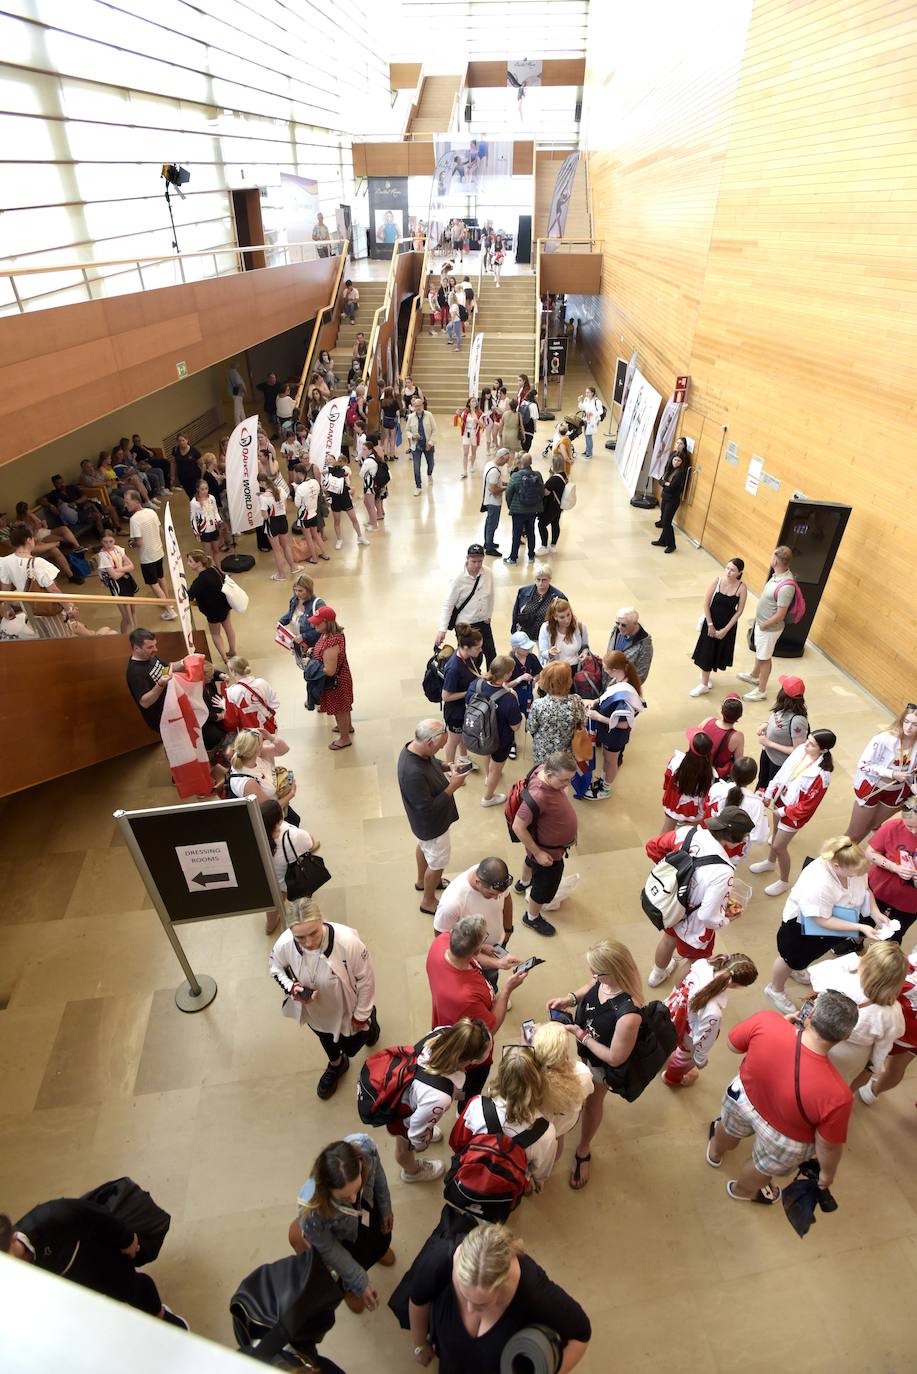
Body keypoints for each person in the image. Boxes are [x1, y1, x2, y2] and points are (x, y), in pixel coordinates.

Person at [706, 991, 859, 1205]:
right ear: (845, 1036)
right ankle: (742, 1190)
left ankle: (715, 1151)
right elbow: (828, 1145)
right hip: (786, 1138)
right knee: (761, 1167)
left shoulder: (767, 1021)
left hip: (742, 1098)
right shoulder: (839, 1095)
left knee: (728, 1127)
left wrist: (779, 1025)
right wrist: (827, 1173)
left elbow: (733, 1045)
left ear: (810, 1015)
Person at [406, 1222, 591, 1373]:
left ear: (504, 1284)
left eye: (482, 1303)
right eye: (463, 1294)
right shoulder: (441, 1259)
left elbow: (581, 1334)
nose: (469, 1308)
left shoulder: (535, 1294)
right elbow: (418, 1300)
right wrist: (420, 1344)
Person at [545, 939, 644, 1191]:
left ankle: (583, 1148)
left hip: (600, 1063)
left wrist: (581, 1036)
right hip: (588, 1049)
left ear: (615, 971)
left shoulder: (629, 1014)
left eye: (597, 972)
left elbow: (615, 1057)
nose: (592, 976)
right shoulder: (605, 979)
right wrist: (569, 999)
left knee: (592, 1103)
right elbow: (592, 985)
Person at [3, 1197, 187, 1328]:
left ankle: (162, 1317)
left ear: (11, 1238)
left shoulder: (51, 1217)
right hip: (76, 1294)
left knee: (132, 1289)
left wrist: (127, 1238)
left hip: (101, 1265)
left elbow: (95, 1215)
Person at [763, 835, 895, 1013]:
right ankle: (775, 988)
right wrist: (860, 927)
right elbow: (820, 920)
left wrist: (875, 912)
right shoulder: (818, 883)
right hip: (803, 926)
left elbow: (866, 890)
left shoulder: (853, 866)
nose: (857, 876)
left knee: (807, 956)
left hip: (835, 921)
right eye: (853, 873)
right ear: (836, 865)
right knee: (789, 957)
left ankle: (797, 967)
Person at [270, 898, 378, 1098]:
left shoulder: (348, 942)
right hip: (316, 1012)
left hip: (348, 1007)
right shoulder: (284, 944)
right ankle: (337, 1064)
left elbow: (366, 980)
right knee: (325, 1038)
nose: (309, 943)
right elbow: (275, 969)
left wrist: (362, 1014)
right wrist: (291, 987)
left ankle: (372, 1024)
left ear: (322, 922)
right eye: (300, 938)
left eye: (314, 933)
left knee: (355, 1041)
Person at [646, 807, 756, 986]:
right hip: (692, 923)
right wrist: (726, 920)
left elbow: (653, 847)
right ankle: (678, 995)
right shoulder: (724, 870)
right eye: (745, 836)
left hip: (672, 905)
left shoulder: (687, 832)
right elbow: (707, 917)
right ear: (734, 837)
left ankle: (656, 975)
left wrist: (669, 872)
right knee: (693, 961)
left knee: (668, 939)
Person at [425, 916, 529, 1098]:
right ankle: (464, 1109)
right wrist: (506, 990)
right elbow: (491, 1028)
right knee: (470, 1090)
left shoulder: (441, 942)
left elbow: (470, 957)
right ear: (473, 952)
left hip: (445, 1023)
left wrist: (496, 961)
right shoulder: (465, 997)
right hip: (469, 1053)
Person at [294, 1135, 394, 1314]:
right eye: (344, 1197)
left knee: (378, 1241)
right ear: (325, 1188)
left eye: (357, 1188)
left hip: (369, 1212)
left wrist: (385, 1207)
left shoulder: (365, 1148)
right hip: (343, 1240)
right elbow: (330, 1249)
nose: (354, 1199)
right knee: (353, 1263)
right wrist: (359, 1281)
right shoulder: (312, 1211)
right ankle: (350, 1291)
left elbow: (378, 1174)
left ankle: (378, 1251)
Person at [386, 1019, 494, 1183]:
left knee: (423, 1118)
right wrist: (422, 1140)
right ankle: (412, 1172)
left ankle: (426, 1124)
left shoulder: (443, 1032)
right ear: (472, 1061)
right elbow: (414, 1130)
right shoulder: (439, 1097)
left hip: (407, 1091)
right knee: (404, 1146)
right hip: (402, 1113)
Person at [451, 1049, 557, 1194]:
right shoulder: (546, 1132)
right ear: (538, 1082)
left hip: (473, 1172)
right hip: (509, 1185)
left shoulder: (476, 1105)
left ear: (502, 1076)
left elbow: (458, 1141)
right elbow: (541, 1168)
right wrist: (536, 1181)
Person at [752, 728, 838, 896]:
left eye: (812, 744)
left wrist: (784, 811)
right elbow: (783, 772)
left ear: (824, 750)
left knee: (779, 845)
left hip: (793, 814)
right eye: (808, 740)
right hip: (780, 799)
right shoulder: (800, 751)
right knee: (775, 832)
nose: (806, 745)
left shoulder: (822, 776)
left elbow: (808, 805)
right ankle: (770, 862)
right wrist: (769, 792)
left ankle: (784, 881)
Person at [807, 943, 907, 1082]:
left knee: (805, 1066)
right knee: (834, 1080)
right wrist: (875, 1066)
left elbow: (816, 970)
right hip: (852, 1054)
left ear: (865, 963)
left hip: (820, 1033)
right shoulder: (893, 1012)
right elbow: (884, 1044)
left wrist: (856, 959)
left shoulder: (841, 979)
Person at [398, 720, 466, 914]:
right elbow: (428, 809)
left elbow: (431, 761)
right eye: (440, 746)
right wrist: (454, 785)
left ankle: (422, 881)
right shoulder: (413, 773)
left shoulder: (413, 749)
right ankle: (428, 900)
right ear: (429, 743)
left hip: (422, 828)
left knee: (423, 847)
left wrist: (447, 765)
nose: (442, 749)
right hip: (432, 825)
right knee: (437, 862)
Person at [663, 953, 758, 1087]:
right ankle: (671, 1078)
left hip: (671, 1009)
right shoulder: (713, 1012)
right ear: (737, 985)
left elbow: (680, 983)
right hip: (687, 1033)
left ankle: (659, 1053)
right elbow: (702, 1040)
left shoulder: (701, 963)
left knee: (662, 1035)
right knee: (683, 1058)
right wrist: (700, 1061)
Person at [512, 750, 578, 938]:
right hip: (547, 854)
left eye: (570, 779)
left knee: (529, 860)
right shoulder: (540, 794)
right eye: (564, 780)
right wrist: (539, 854)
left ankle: (523, 883)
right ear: (549, 775)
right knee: (544, 887)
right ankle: (532, 917)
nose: (567, 785)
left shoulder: (543, 769)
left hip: (539, 846)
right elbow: (518, 826)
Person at [433, 859, 516, 985]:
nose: (496, 898)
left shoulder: (495, 877)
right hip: (469, 955)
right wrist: (477, 950)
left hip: (496, 946)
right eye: (491, 894)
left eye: (499, 894)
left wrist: (508, 929)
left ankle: (492, 992)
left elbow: (507, 898)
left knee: (492, 976)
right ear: (478, 882)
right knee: (476, 983)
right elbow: (443, 939)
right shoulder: (452, 904)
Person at [857, 942, 917, 1106]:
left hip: (893, 1024)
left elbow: (883, 980)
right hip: (904, 1029)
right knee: (895, 1066)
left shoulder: (899, 979)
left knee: (871, 1058)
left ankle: (865, 1086)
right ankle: (872, 1091)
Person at [737, 544, 799, 701]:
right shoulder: (777, 574)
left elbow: (780, 614)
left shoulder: (786, 586)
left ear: (776, 561)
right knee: (761, 653)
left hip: (769, 628)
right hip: (762, 624)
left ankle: (761, 690)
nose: (770, 558)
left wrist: (764, 625)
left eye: (773, 556)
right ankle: (754, 675)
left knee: (765, 658)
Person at [847, 706, 917, 844]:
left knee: (870, 826)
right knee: (854, 832)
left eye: (915, 724)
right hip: (873, 789)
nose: (909, 727)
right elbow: (864, 764)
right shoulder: (884, 739)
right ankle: (831, 857)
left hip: (895, 793)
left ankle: (848, 854)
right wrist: (892, 773)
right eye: (906, 722)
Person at [583, 651, 645, 799]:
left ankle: (606, 788)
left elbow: (624, 724)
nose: (604, 671)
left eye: (606, 669)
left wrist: (598, 716)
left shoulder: (625, 695)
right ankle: (604, 780)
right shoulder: (621, 680)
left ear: (615, 670)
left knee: (611, 761)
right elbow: (607, 695)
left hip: (615, 734)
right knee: (606, 756)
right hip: (609, 732)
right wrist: (597, 701)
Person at [465, 656, 523, 807]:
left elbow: (468, 703)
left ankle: (488, 776)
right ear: (506, 675)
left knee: (487, 754)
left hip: (481, 734)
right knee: (497, 768)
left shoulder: (475, 684)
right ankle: (488, 797)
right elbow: (515, 727)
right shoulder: (509, 699)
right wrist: (515, 700)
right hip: (500, 741)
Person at [530, 1022, 593, 1158]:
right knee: (558, 1141)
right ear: (564, 1053)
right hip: (562, 1124)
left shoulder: (528, 1077)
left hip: (533, 1127)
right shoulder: (582, 1074)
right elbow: (586, 1095)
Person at [689, 558, 747, 696]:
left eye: (732, 570)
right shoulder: (717, 581)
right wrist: (710, 625)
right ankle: (704, 683)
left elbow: (739, 611)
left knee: (716, 652)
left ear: (739, 573)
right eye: (727, 568)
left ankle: (706, 678)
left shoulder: (741, 587)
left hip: (727, 624)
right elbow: (706, 603)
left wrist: (726, 630)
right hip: (711, 621)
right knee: (707, 651)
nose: (728, 572)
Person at [259, 797, 317, 931]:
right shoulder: (294, 835)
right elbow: (311, 844)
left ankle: (270, 925)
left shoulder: (255, 835)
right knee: (301, 903)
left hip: (270, 882)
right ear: (281, 818)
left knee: (274, 904)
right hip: (291, 880)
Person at [865, 798, 917, 943]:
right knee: (865, 919)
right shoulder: (892, 827)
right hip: (879, 888)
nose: (914, 832)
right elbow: (870, 853)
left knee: (895, 933)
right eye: (909, 826)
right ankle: (856, 941)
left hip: (910, 901)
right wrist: (895, 867)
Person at [435, 544, 495, 666]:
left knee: (491, 655)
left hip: (483, 622)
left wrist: (489, 614)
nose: (477, 565)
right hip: (465, 625)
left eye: (480, 561)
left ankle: (492, 682)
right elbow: (448, 604)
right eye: (474, 561)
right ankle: (471, 682)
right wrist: (442, 630)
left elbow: (491, 596)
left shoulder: (488, 573)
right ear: (467, 558)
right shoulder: (458, 578)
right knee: (472, 659)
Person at [123, 492, 177, 620]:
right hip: (158, 551)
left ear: (136, 501)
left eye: (127, 502)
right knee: (161, 577)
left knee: (153, 584)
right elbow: (161, 531)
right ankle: (167, 602)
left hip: (147, 557)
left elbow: (139, 542)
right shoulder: (151, 512)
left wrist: (131, 544)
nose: (125, 505)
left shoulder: (134, 519)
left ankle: (169, 611)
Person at [440, 623, 483, 777]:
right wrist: (468, 692)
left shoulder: (467, 657)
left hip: (464, 708)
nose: (480, 650)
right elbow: (445, 696)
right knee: (453, 740)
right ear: (465, 647)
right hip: (455, 712)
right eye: (477, 648)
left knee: (462, 736)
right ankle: (450, 770)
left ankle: (463, 759)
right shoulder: (454, 668)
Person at [309, 605, 354, 750]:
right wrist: (313, 651)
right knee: (345, 706)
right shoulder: (332, 634)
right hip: (343, 677)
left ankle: (344, 738)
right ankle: (348, 727)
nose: (313, 624)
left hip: (335, 683)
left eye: (317, 622)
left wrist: (311, 665)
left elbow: (329, 671)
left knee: (340, 711)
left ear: (327, 622)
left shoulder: (331, 643)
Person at [755, 675, 810, 789]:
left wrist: (769, 743)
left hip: (778, 765)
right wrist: (766, 725)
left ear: (783, 694)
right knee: (761, 786)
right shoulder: (782, 708)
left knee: (771, 793)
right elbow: (778, 721)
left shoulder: (798, 721)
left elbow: (798, 750)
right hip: (767, 755)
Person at [707, 756, 770, 851]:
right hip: (736, 848)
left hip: (713, 837)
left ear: (732, 772)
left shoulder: (717, 788)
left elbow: (708, 810)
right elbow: (759, 837)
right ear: (753, 779)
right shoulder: (757, 804)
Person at [125, 628, 182, 733]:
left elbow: (165, 668)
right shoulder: (135, 672)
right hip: (161, 719)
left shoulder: (150, 656)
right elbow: (145, 702)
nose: (155, 649)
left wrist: (183, 662)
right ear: (137, 649)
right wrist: (160, 684)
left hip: (171, 709)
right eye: (150, 647)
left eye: (155, 645)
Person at [526, 663, 583, 767]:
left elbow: (531, 727)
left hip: (543, 752)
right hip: (566, 751)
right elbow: (582, 722)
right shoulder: (577, 700)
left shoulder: (539, 704)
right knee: (562, 777)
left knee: (543, 776)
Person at [660, 730, 715, 832]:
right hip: (694, 812)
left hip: (673, 805)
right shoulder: (710, 774)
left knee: (666, 830)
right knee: (687, 835)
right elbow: (707, 796)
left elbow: (667, 780)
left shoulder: (676, 761)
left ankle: (661, 847)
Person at [187, 549, 236, 663]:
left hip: (213, 611)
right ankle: (233, 650)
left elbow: (189, 596)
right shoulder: (214, 569)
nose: (188, 564)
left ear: (199, 563)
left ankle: (224, 657)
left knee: (215, 633)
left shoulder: (199, 581)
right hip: (225, 604)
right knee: (228, 627)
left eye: (190, 561)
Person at [259, 475, 301, 581]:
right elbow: (285, 506)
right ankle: (293, 567)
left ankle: (281, 575)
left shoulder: (263, 497)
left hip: (272, 522)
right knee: (286, 546)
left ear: (262, 483)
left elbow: (265, 516)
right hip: (283, 519)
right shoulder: (281, 490)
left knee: (277, 550)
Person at [510, 564, 567, 642]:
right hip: (525, 632)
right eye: (538, 579)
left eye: (544, 580)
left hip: (546, 635)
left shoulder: (559, 597)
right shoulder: (523, 591)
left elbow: (564, 617)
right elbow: (516, 612)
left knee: (544, 654)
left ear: (550, 579)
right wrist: (514, 631)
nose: (540, 583)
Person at [225, 655, 281, 733]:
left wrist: (223, 705)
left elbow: (231, 720)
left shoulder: (231, 692)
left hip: (250, 734)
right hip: (269, 727)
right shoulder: (262, 682)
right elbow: (275, 704)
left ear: (233, 672)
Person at [696, 693, 745, 779]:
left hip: (698, 766)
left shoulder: (707, 721)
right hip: (714, 775)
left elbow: (694, 741)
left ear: (721, 711)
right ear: (740, 716)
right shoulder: (737, 737)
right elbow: (739, 762)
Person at [651, 447, 690, 553]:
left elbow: (672, 487)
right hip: (665, 497)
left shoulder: (680, 473)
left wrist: (666, 483)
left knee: (667, 522)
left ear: (682, 462)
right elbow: (661, 481)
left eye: (678, 460)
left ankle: (672, 544)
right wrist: (665, 483)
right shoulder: (669, 469)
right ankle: (662, 540)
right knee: (663, 519)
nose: (676, 462)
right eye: (675, 459)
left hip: (672, 500)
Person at [97, 530, 137, 632]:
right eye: (105, 542)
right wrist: (124, 570)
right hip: (116, 584)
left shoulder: (118, 549)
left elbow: (131, 566)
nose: (108, 544)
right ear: (101, 542)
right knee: (126, 617)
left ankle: (137, 632)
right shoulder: (103, 556)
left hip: (127, 580)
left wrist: (119, 570)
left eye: (110, 541)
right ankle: (124, 636)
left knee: (133, 610)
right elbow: (114, 576)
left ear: (114, 540)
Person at [605, 607, 653, 685]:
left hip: (622, 689)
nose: (619, 627)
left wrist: (622, 688)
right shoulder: (616, 630)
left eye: (623, 625)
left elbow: (641, 675)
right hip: (608, 681)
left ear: (635, 623)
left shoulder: (644, 645)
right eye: (617, 623)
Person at [537, 597, 589, 667]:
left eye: (568, 615)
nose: (567, 620)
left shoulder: (580, 627)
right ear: (555, 617)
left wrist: (584, 652)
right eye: (562, 617)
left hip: (575, 669)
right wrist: (550, 653)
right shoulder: (546, 628)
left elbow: (585, 646)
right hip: (555, 670)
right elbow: (543, 652)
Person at [536, 455, 570, 552]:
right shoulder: (564, 475)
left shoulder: (553, 480)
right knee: (555, 524)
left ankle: (544, 546)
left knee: (541, 524)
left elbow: (545, 492)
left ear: (553, 465)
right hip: (559, 506)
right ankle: (553, 545)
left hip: (551, 507)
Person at [405, 395, 438, 495]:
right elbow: (407, 430)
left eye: (419, 405)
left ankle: (429, 474)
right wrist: (412, 436)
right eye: (416, 406)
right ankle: (418, 486)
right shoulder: (410, 417)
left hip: (428, 444)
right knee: (416, 466)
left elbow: (434, 430)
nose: (418, 408)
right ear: (413, 407)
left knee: (431, 463)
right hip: (416, 446)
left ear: (422, 405)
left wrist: (430, 443)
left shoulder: (429, 415)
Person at [480, 448, 509, 555]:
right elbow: (493, 489)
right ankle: (489, 548)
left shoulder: (489, 464)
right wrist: (505, 488)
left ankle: (488, 542)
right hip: (493, 502)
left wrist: (505, 483)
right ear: (501, 458)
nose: (506, 462)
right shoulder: (494, 471)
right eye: (505, 460)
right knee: (492, 524)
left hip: (488, 500)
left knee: (489, 523)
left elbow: (497, 483)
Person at [189, 480, 223, 570]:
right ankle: (212, 571)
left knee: (216, 550)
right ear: (198, 490)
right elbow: (193, 519)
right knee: (208, 554)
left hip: (214, 528)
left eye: (206, 488)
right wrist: (196, 533)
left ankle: (220, 570)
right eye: (202, 489)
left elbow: (216, 512)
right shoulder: (194, 503)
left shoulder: (211, 498)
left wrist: (219, 521)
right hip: (204, 531)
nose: (205, 491)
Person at [456, 399, 483, 478]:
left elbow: (483, 425)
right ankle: (464, 471)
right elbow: (460, 421)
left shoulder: (479, 413)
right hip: (466, 433)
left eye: (475, 401)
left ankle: (471, 465)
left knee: (473, 452)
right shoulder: (465, 412)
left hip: (474, 433)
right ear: (469, 403)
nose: (474, 403)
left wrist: (477, 421)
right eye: (472, 401)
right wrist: (458, 415)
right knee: (465, 453)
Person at [171, 434, 203, 499]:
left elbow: (201, 464)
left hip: (194, 476)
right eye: (179, 441)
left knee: (196, 494)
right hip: (183, 477)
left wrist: (201, 477)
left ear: (187, 440)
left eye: (183, 440)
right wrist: (173, 476)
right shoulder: (175, 450)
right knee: (190, 494)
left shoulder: (194, 451)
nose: (181, 442)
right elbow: (173, 463)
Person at [577, 387, 602, 458]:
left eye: (588, 392)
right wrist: (580, 401)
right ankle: (587, 451)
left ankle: (589, 453)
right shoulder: (586, 399)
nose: (586, 394)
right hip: (586, 419)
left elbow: (601, 411)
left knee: (588, 436)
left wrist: (593, 414)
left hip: (593, 421)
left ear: (592, 393)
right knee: (586, 435)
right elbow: (582, 408)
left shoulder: (597, 401)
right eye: (586, 392)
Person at [227, 361, 247, 427]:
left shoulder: (233, 372)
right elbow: (238, 383)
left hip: (238, 393)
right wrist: (244, 390)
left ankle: (243, 420)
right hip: (237, 393)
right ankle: (238, 423)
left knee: (240, 408)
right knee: (237, 408)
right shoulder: (233, 372)